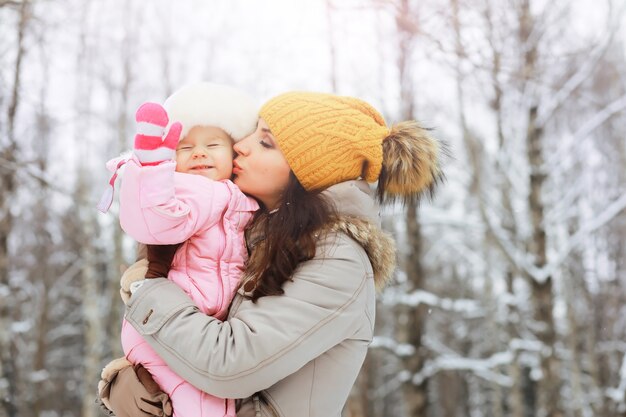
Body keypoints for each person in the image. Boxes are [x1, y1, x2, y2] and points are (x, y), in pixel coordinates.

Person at [98, 91, 444, 417]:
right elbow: (198, 330)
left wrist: (149, 291)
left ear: (306, 172)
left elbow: (229, 365)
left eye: (265, 142)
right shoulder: (256, 236)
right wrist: (134, 380)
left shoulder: (337, 259)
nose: (241, 146)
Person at [100, 82, 260, 417]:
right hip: (165, 328)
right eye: (184, 148)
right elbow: (153, 222)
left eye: (212, 144)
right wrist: (152, 170)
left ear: (235, 154)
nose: (199, 153)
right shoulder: (188, 192)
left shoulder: (241, 198)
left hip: (194, 328)